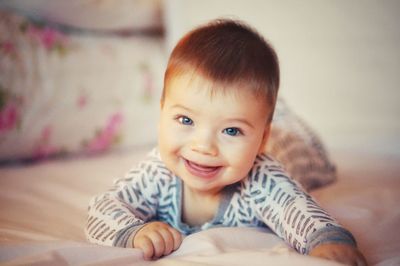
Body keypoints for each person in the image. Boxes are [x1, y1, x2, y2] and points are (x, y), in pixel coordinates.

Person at [85, 19, 367, 265]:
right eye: (185, 120)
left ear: (261, 138)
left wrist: (327, 241)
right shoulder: (158, 171)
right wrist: (133, 232)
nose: (203, 147)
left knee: (310, 161)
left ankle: (280, 117)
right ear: (161, 113)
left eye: (231, 130)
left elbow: (297, 210)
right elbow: (102, 209)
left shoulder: (261, 179)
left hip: (291, 151)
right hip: (265, 136)